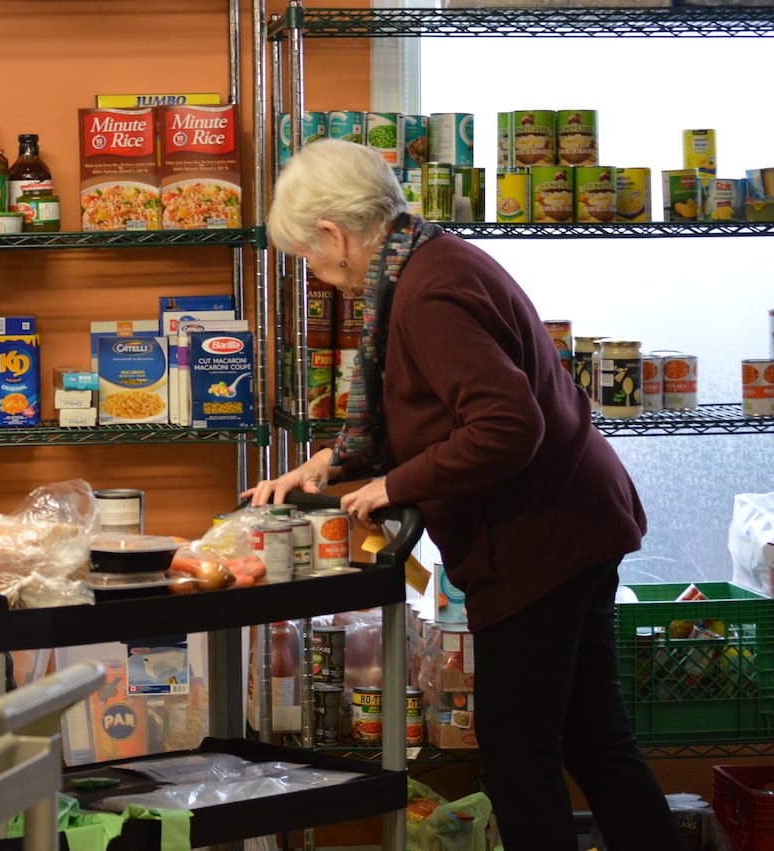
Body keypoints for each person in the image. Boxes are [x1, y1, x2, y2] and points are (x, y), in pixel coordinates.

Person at [244, 139, 683, 851]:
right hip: (578, 524)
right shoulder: (429, 261)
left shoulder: (427, 293)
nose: (321, 278)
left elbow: (508, 425)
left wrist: (392, 484)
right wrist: (330, 461)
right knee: (594, 740)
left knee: (519, 760)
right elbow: (435, 407)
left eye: (309, 259)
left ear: (335, 233)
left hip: (540, 543)